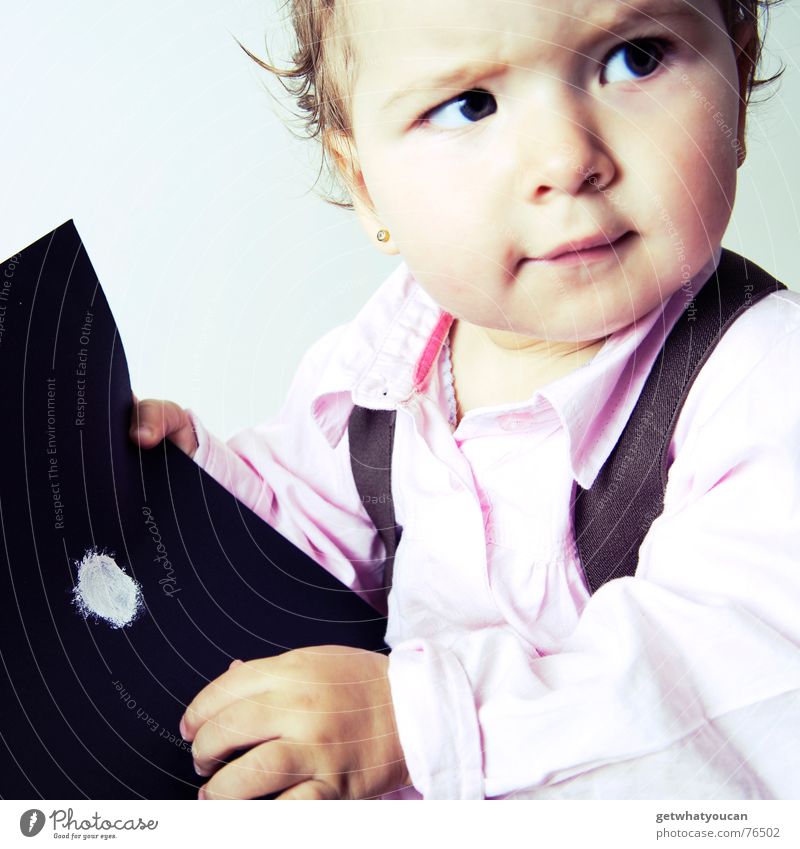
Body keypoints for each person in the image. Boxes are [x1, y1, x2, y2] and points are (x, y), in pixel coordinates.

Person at [131, 0, 800, 800]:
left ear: (740, 64)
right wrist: (197, 494)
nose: (565, 158)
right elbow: (309, 539)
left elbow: (731, 693)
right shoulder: (382, 367)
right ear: (365, 185)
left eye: (636, 58)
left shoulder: (763, 384)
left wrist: (424, 723)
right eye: (469, 105)